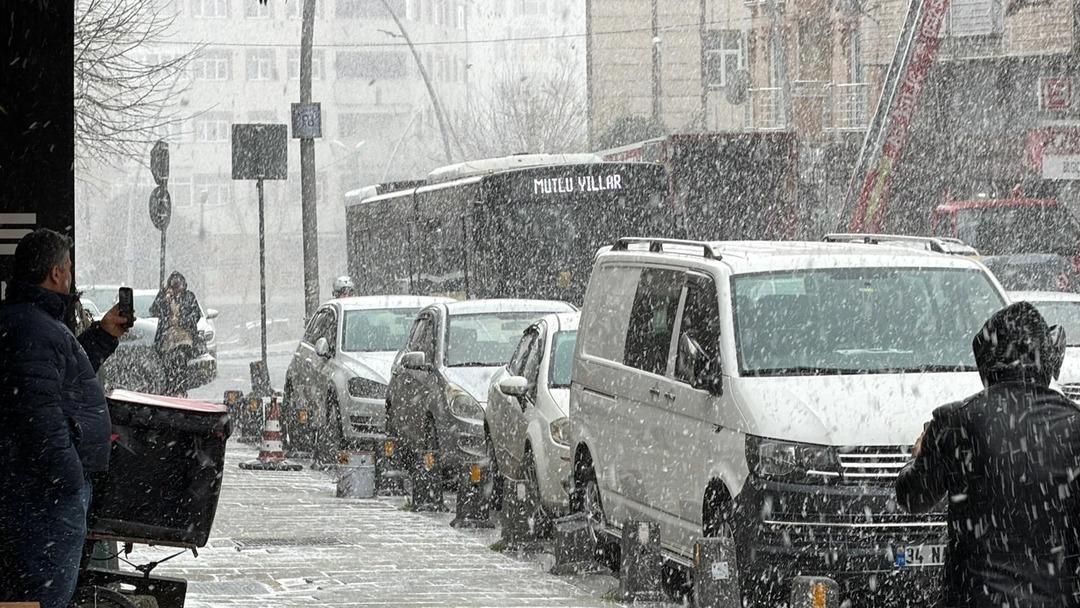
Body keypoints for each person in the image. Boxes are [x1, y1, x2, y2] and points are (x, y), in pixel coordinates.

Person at [896, 301, 1080, 608]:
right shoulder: (1075, 426)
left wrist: (918, 458)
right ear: (1046, 359)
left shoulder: (956, 421)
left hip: (975, 599)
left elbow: (912, 498)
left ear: (988, 364)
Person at [0, 229, 130, 607]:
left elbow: (60, 380)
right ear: (56, 273)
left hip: (38, 490)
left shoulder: (34, 324)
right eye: (69, 268)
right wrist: (70, 477)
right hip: (43, 494)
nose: (71, 277)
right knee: (43, 597)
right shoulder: (34, 329)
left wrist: (103, 336)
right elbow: (37, 415)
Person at [150, 271, 202, 397]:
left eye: (179, 285)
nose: (177, 288)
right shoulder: (165, 297)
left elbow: (196, 314)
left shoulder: (189, 297)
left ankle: (179, 387)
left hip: (184, 335)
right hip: (168, 335)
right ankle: (171, 387)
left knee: (179, 357)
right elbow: (153, 311)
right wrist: (164, 299)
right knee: (167, 361)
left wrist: (182, 320)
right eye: (174, 285)